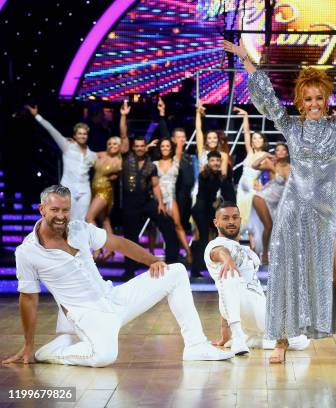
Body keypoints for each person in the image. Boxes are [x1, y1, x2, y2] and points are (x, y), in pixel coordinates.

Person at [224, 30, 336, 364]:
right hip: (291, 213)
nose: (315, 104)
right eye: (308, 99)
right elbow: (267, 99)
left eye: (320, 98)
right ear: (301, 102)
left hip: (323, 214)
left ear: (326, 99)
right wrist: (244, 59)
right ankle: (282, 340)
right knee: (287, 273)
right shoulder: (291, 126)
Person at [2, 185, 233, 367]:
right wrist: (29, 346)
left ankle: (195, 345)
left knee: (176, 271)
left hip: (114, 298)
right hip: (88, 316)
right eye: (55, 210)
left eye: (65, 210)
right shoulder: (27, 252)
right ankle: (50, 352)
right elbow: (28, 299)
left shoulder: (80, 228)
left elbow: (118, 243)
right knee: (104, 357)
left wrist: (152, 260)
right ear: (42, 209)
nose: (61, 216)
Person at [203, 202, 310, 355]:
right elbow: (220, 253)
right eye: (225, 218)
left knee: (301, 341)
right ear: (216, 222)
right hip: (242, 304)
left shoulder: (245, 249)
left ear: (240, 220)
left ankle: (252, 340)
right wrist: (227, 259)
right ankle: (240, 338)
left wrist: (224, 336)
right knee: (229, 276)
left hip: (257, 305)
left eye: (235, 217)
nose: (231, 222)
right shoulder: (214, 245)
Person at [119, 102, 179, 277]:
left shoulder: (150, 164)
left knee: (167, 224)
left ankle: (173, 262)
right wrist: (123, 116)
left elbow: (155, 185)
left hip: (146, 201)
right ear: (133, 147)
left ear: (145, 146)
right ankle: (129, 270)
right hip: (130, 204)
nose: (138, 148)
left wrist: (160, 202)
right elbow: (123, 135)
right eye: (136, 146)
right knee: (130, 237)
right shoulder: (126, 157)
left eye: (141, 146)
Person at [25, 105, 97, 221]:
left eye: (85, 134)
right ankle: (65, 240)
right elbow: (52, 130)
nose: (82, 136)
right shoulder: (67, 146)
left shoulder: (91, 155)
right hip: (68, 188)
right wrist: (37, 116)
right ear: (74, 135)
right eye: (80, 133)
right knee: (67, 218)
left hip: (85, 190)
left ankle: (79, 240)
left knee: (82, 220)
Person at [191, 151, 236, 276]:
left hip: (210, 211)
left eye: (217, 160)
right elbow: (208, 196)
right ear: (208, 162)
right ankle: (196, 269)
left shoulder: (220, 176)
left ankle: (216, 266)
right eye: (212, 160)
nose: (215, 163)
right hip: (201, 210)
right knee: (204, 237)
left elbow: (228, 193)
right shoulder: (204, 175)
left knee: (218, 238)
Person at [157, 98, 196, 234]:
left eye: (183, 137)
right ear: (173, 140)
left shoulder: (186, 154)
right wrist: (162, 115)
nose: (182, 140)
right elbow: (164, 134)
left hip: (187, 195)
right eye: (178, 137)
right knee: (175, 224)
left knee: (184, 223)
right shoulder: (174, 154)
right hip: (177, 194)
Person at [247, 143, 290, 264]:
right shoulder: (271, 164)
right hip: (262, 197)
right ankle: (265, 254)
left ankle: (278, 254)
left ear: (287, 153)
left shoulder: (292, 168)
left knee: (280, 228)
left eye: (283, 150)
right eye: (277, 150)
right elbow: (254, 165)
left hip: (277, 202)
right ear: (275, 153)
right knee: (269, 226)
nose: (280, 152)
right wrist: (265, 155)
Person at [154, 138, 192, 264]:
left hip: (170, 197)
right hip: (157, 199)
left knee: (177, 225)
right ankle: (151, 257)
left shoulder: (175, 161)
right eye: (162, 146)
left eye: (167, 146)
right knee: (153, 227)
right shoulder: (154, 164)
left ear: (171, 148)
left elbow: (180, 146)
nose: (165, 148)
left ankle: (188, 252)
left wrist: (180, 141)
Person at [85, 136, 124, 260]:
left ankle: (97, 249)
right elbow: (86, 153)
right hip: (94, 190)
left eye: (115, 144)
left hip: (104, 191)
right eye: (110, 144)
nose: (112, 146)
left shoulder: (120, 161)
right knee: (105, 220)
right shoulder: (101, 154)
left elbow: (120, 172)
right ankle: (111, 249)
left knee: (89, 217)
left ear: (119, 147)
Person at [234, 107, 268, 235]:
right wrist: (245, 116)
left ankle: (255, 247)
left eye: (259, 138)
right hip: (242, 188)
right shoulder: (250, 152)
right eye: (255, 139)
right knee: (241, 214)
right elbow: (246, 133)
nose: (256, 140)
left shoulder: (265, 155)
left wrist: (261, 183)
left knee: (251, 216)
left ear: (263, 141)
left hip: (252, 189)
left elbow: (270, 172)